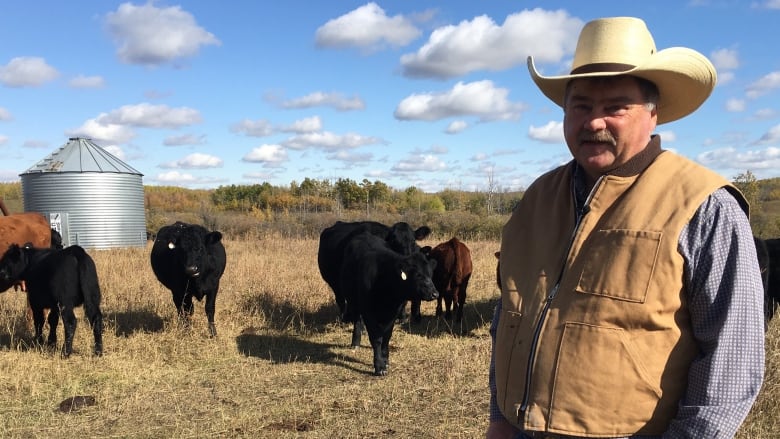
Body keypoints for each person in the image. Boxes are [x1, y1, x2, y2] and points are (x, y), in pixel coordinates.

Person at [488, 16, 765, 439]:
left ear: (652, 115)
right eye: (581, 105)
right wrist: (499, 418)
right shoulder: (536, 199)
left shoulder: (705, 206)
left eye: (615, 106)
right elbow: (508, 317)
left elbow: (731, 358)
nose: (594, 122)